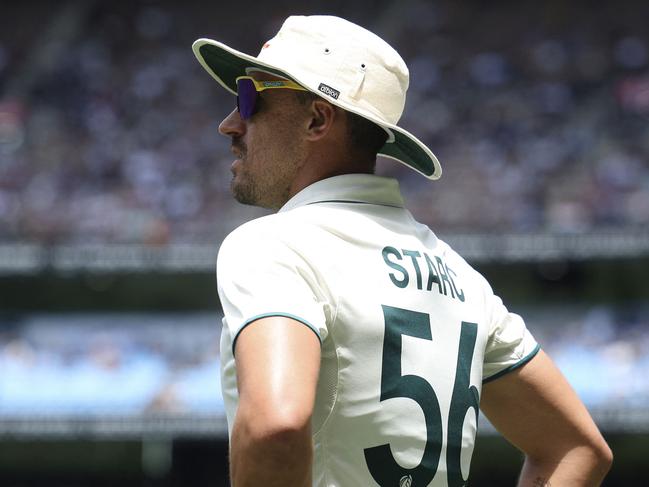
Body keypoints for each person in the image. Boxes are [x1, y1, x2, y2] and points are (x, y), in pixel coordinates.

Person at [192, 15, 612, 487]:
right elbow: (577, 449)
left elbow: (275, 426)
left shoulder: (273, 244)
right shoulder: (462, 277)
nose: (230, 124)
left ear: (316, 119)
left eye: (250, 99)